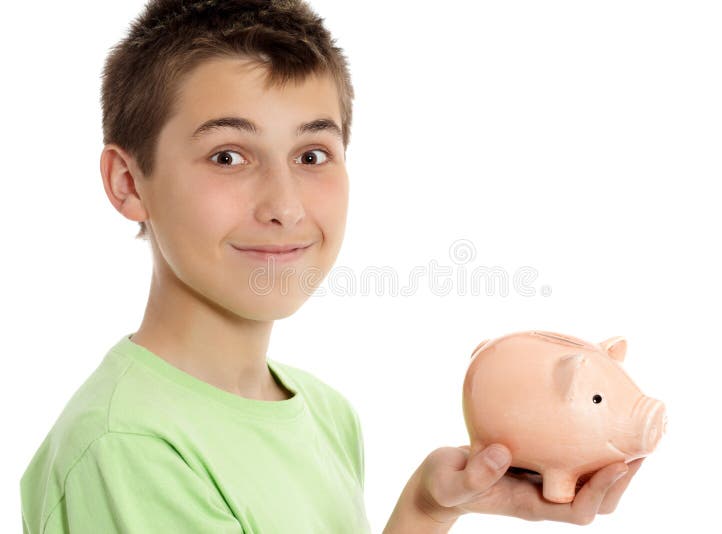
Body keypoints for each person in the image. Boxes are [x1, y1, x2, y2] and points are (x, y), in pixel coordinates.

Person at [19, 1, 644, 532]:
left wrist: (425, 509)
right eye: (229, 156)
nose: (285, 206)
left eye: (313, 154)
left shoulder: (325, 412)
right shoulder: (128, 448)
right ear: (129, 182)